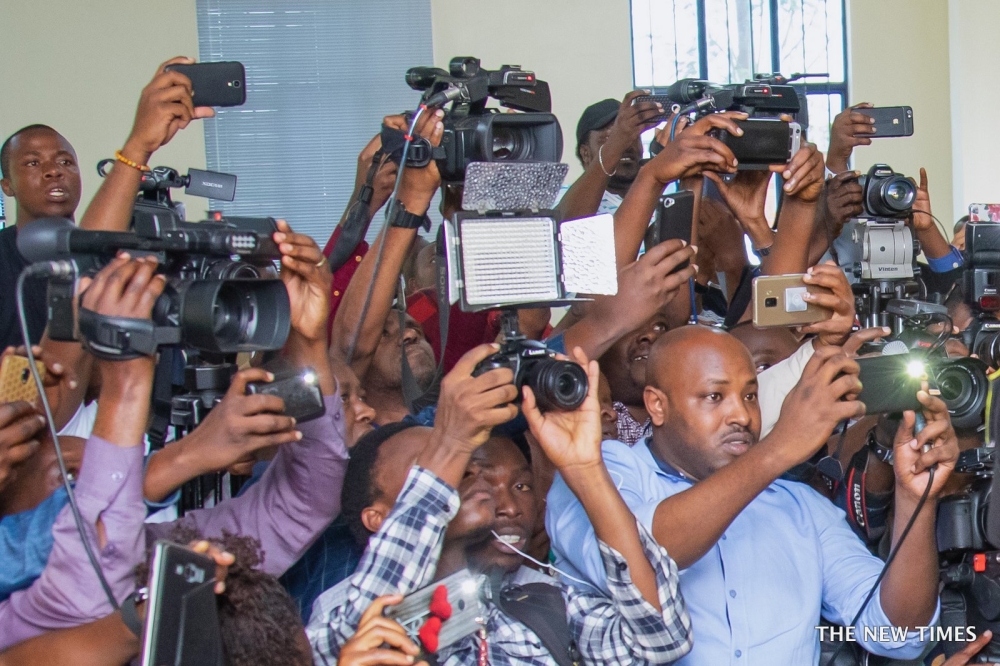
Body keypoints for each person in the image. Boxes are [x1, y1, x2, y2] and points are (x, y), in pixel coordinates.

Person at [548, 325, 958, 663]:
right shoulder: (601, 475)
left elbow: (898, 633)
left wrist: (915, 499)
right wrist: (777, 448)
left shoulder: (798, 509)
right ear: (656, 405)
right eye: (714, 396)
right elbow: (637, 558)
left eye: (749, 396)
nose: (742, 416)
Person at [307, 344, 693, 665]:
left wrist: (584, 468)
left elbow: (659, 640)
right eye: (427, 468)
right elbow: (360, 638)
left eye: (464, 462)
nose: (462, 471)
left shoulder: (532, 597)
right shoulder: (338, 611)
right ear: (379, 517)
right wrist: (450, 442)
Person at [0, 57, 213, 350]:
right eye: (33, 163)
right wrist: (138, 146)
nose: (54, 171)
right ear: (7, 185)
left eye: (65, 161)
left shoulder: (120, 256)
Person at [556, 92, 663, 220]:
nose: (627, 145)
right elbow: (565, 227)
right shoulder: (562, 196)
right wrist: (615, 146)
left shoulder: (660, 197)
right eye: (610, 138)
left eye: (633, 137)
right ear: (585, 153)